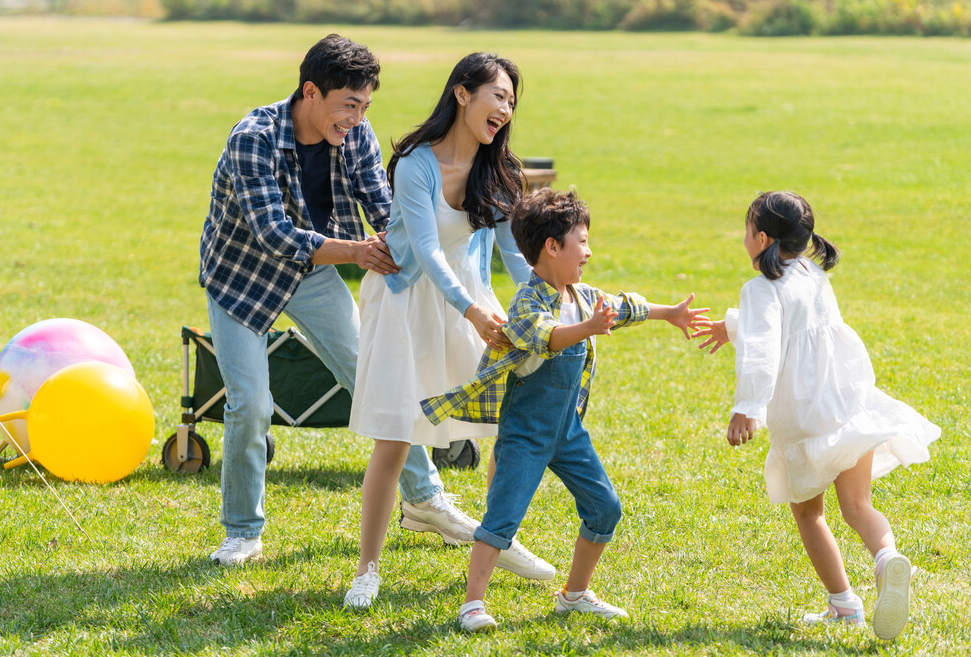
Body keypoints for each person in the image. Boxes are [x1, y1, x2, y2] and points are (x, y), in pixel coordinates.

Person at [198, 34, 488, 567]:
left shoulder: (356, 135)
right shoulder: (253, 137)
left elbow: (382, 202)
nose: (355, 118)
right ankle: (243, 533)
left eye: (364, 106)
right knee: (251, 404)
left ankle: (426, 501)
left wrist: (419, 247)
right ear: (311, 92)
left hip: (315, 271)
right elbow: (272, 234)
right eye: (347, 105)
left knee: (379, 376)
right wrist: (356, 252)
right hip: (241, 276)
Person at [421, 188, 709, 632]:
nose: (589, 252)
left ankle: (574, 596)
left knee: (605, 508)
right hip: (526, 434)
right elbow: (544, 337)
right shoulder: (527, 301)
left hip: (567, 431)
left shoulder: (581, 293)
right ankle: (472, 605)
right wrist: (588, 327)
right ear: (552, 248)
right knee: (501, 517)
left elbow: (624, 307)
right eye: (582, 242)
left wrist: (668, 312)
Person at [343, 53, 555, 609]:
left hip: (470, 304)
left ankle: (499, 538)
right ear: (462, 94)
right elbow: (430, 252)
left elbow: (517, 254)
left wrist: (552, 305)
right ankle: (367, 569)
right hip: (408, 302)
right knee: (396, 436)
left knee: (507, 428)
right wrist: (473, 312)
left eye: (512, 102)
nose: (505, 110)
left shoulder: (500, 171)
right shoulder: (417, 162)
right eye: (498, 96)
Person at [692, 190, 941, 640]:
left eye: (747, 228)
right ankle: (887, 559)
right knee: (858, 506)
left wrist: (746, 409)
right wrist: (734, 326)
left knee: (810, 513)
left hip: (806, 419)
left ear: (762, 237)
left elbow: (766, 349)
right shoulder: (809, 272)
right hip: (847, 407)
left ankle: (844, 604)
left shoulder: (759, 288)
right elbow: (796, 321)